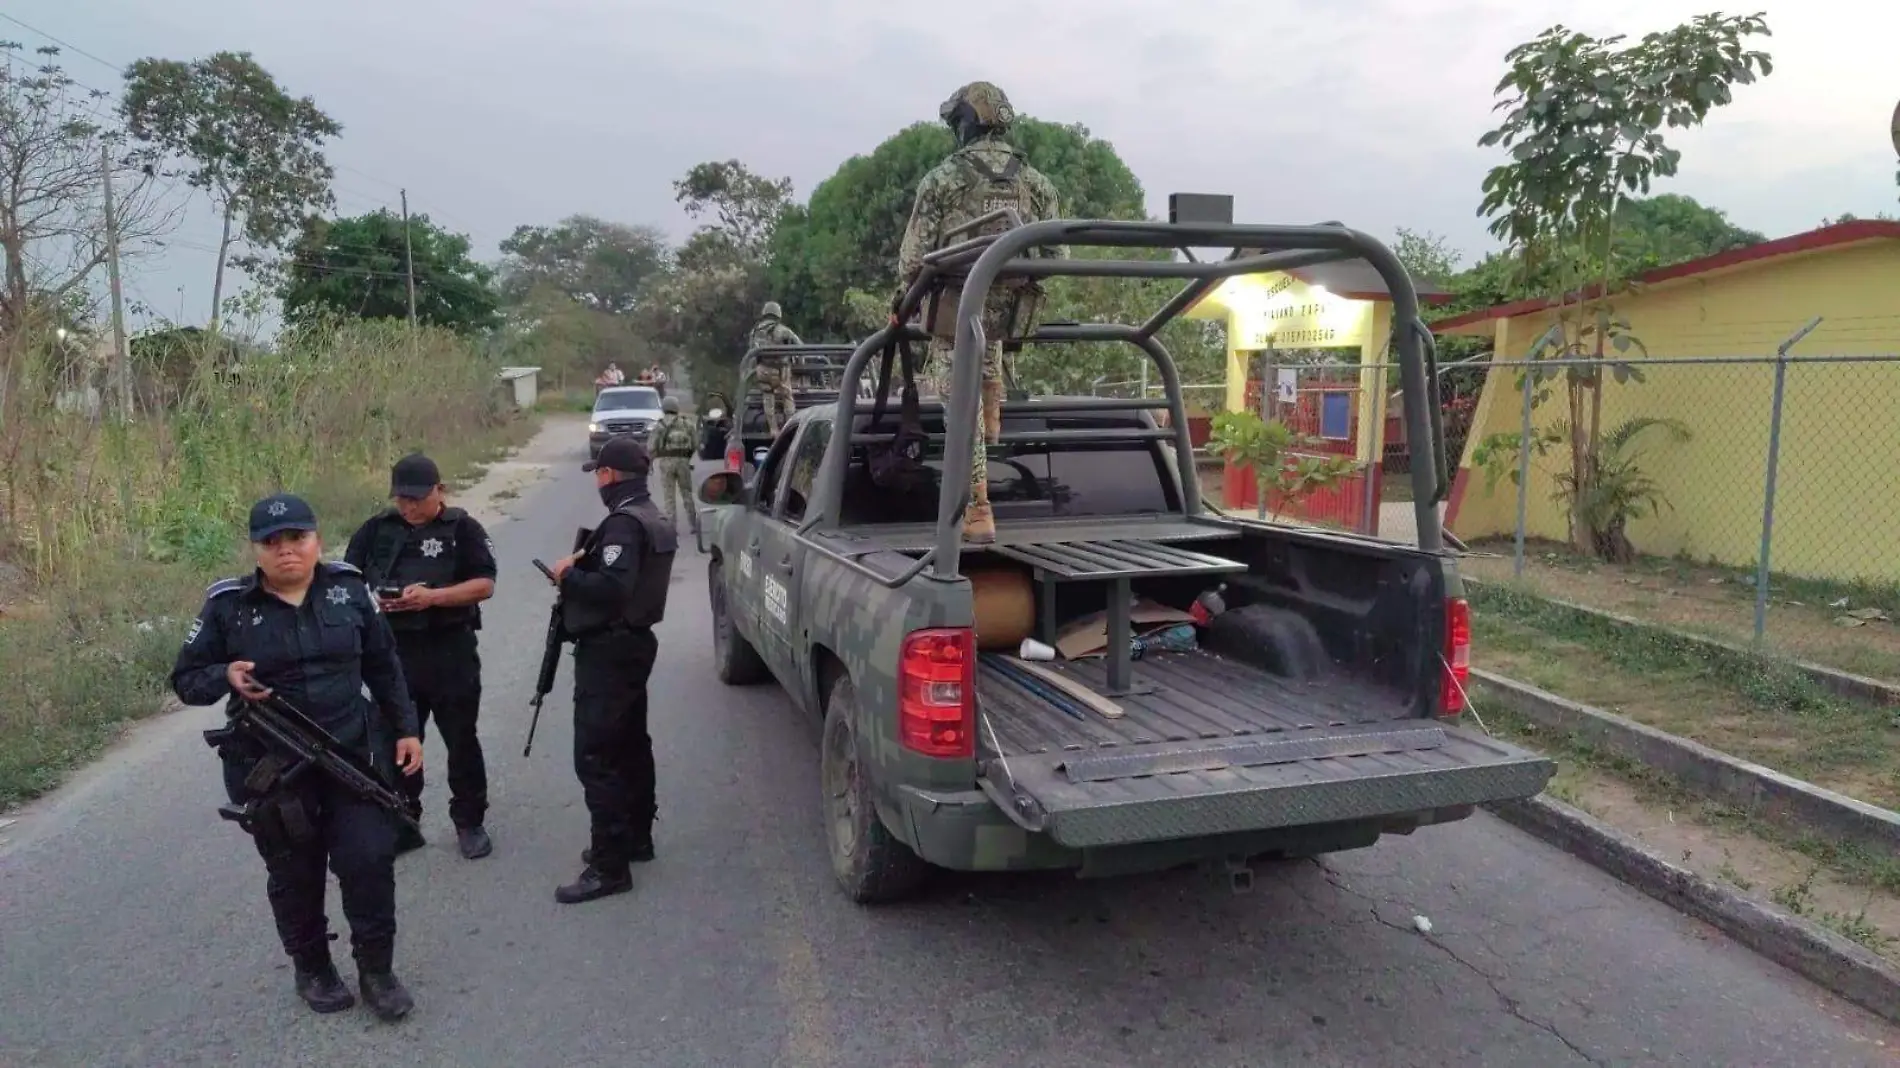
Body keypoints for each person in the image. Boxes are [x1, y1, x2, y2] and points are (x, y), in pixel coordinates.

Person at [171, 493, 423, 1020]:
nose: (287, 551)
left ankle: (377, 970)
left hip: (350, 757)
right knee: (295, 874)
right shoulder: (227, 607)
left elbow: (383, 663)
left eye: (297, 539)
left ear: (317, 541)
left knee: (369, 862)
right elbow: (186, 681)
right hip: (273, 771)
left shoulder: (349, 590)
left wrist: (406, 729)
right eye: (272, 542)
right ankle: (313, 967)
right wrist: (225, 676)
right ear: (256, 549)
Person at [896, 80, 1064, 543]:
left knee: (959, 410)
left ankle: (978, 508)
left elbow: (912, 261)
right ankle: (994, 398)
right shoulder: (1037, 184)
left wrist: (901, 305)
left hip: (957, 315)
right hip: (1006, 321)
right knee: (985, 372)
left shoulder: (942, 180)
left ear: (965, 125)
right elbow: (1053, 257)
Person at [344, 453, 499, 860]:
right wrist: (374, 602)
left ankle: (469, 821)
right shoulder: (376, 530)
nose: (409, 507)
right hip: (394, 656)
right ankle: (403, 819)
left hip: (451, 651)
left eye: (417, 498)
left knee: (461, 740)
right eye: (402, 499)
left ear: (439, 490)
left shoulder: (463, 529)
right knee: (397, 741)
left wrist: (433, 598)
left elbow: (484, 584)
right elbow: (346, 580)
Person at [546, 435, 678, 904]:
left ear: (608, 476)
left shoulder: (623, 524)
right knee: (630, 746)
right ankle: (635, 839)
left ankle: (609, 866)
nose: (597, 482)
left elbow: (611, 588)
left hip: (610, 649)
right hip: (634, 643)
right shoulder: (654, 516)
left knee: (596, 756)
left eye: (599, 474)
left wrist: (567, 576)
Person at [747, 300, 802, 435]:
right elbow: (799, 345)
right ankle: (790, 428)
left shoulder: (755, 331)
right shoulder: (782, 330)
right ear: (778, 314)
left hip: (763, 370)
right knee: (787, 397)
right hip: (780, 370)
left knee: (768, 398)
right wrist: (798, 360)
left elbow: (751, 353)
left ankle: (773, 429)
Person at [649, 395, 698, 534]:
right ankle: (693, 524)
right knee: (687, 493)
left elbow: (651, 447)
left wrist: (650, 463)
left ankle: (671, 526)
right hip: (683, 461)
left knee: (669, 495)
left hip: (666, 462)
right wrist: (687, 457)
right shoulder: (686, 423)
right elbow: (695, 443)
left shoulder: (660, 425)